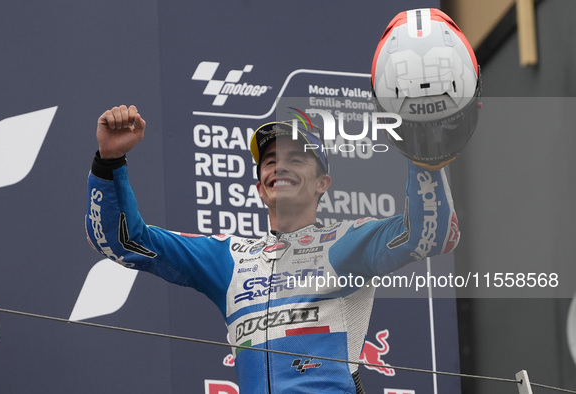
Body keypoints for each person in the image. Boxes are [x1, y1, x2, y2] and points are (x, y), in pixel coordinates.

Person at [85, 8, 479, 394]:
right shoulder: (229, 259)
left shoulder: (350, 243)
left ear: (323, 182)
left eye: (296, 158)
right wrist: (109, 162)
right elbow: (122, 241)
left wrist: (425, 155)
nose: (280, 167)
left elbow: (432, 236)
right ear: (260, 188)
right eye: (270, 161)